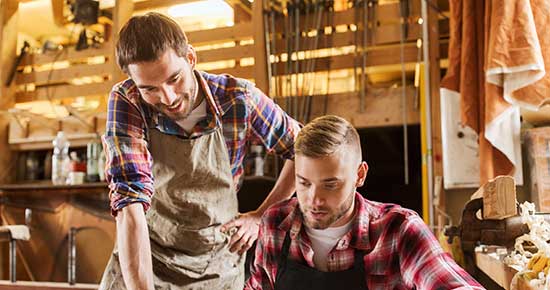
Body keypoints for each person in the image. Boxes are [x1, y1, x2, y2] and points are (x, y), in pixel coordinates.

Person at [99, 12, 300, 290]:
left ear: (191, 58)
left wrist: (261, 216)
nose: (167, 98)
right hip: (149, 256)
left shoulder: (238, 99)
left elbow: (302, 149)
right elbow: (129, 201)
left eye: (174, 79)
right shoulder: (128, 100)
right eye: (150, 89)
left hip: (216, 265)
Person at [245, 115, 485, 290]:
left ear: (360, 175)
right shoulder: (276, 224)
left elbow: (452, 284)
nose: (314, 200)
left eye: (330, 185)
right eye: (304, 183)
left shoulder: (398, 229)